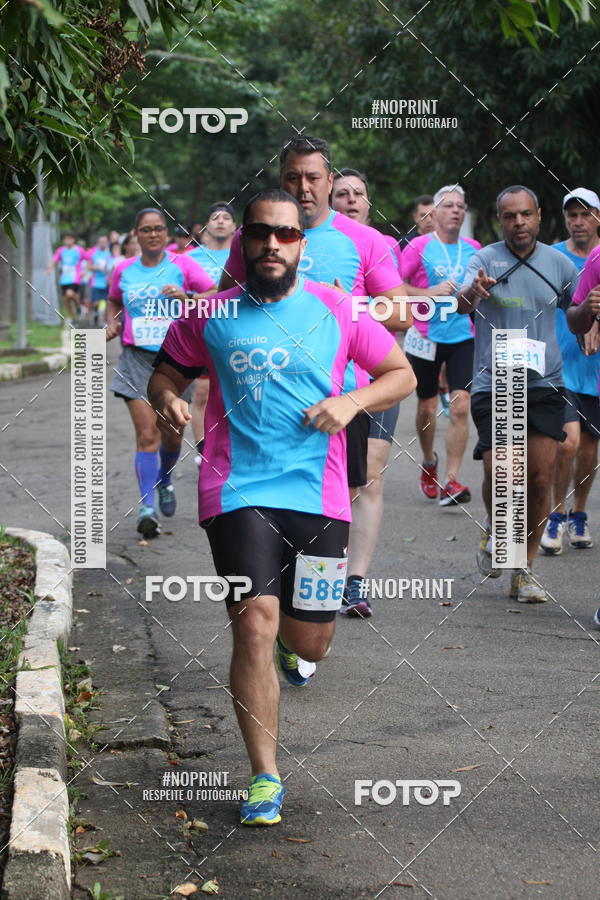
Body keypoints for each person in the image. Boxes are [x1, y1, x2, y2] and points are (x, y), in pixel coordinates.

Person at [148, 189, 417, 826]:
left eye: (286, 235)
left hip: (318, 498)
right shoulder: (210, 313)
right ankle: (265, 776)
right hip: (235, 490)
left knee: (310, 639)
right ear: (244, 240)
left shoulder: (336, 309)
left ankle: (298, 655)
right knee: (254, 620)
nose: (273, 244)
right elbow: (164, 372)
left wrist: (352, 404)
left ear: (302, 243)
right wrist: (168, 398)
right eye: (261, 233)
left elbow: (400, 373)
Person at [219, 136, 411, 621]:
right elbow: (223, 304)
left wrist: (343, 303)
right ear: (281, 181)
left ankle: (331, 596)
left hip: (343, 396)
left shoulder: (363, 240)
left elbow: (402, 313)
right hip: (266, 399)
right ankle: (280, 606)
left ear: (330, 181)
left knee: (340, 502)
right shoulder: (262, 235)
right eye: (292, 178)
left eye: (312, 177)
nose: (302, 187)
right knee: (268, 506)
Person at [457, 185, 579, 603]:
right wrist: (473, 292)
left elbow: (576, 316)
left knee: (540, 479)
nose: (519, 223)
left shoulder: (559, 263)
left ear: (539, 216)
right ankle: (498, 529)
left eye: (526, 214)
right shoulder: (484, 260)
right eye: (510, 216)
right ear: (500, 220)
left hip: (545, 382)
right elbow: (459, 305)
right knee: (503, 472)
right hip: (495, 382)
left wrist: (591, 310)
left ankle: (523, 569)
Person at [106, 207, 216, 537]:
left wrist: (188, 296)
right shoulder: (123, 269)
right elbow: (113, 300)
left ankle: (165, 479)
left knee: (171, 433)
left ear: (166, 234)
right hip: (136, 360)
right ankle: (146, 508)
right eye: (146, 230)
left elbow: (213, 293)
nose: (153, 234)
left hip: (175, 362)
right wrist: (112, 322)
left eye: (159, 229)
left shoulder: (182, 264)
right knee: (147, 434)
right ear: (136, 235)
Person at [330, 167, 403, 617]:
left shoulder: (378, 244)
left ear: (368, 202)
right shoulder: (309, 241)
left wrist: (352, 305)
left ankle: (355, 582)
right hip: (326, 380)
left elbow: (401, 314)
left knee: (370, 476)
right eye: (343, 193)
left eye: (359, 192)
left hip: (377, 375)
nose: (352, 198)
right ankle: (324, 572)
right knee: (337, 483)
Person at [402, 185, 480, 506]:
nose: (456, 211)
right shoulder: (419, 246)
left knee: (460, 406)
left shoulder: (475, 247)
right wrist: (429, 291)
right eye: (448, 206)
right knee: (426, 407)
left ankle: (452, 480)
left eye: (460, 206)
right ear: (434, 213)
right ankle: (429, 461)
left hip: (463, 335)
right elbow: (396, 288)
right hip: (425, 338)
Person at [541, 188, 600, 554]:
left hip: (594, 370)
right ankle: (556, 514)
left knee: (590, 451)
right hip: (559, 367)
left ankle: (579, 513)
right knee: (568, 443)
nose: (578, 222)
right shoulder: (551, 257)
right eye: (572, 215)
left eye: (585, 214)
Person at [566, 244, 600, 628]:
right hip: (579, 377)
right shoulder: (597, 258)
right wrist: (589, 311)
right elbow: (574, 318)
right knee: (571, 445)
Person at [188, 203, 238, 467]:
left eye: (226, 217)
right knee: (202, 394)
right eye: (215, 217)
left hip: (238, 333)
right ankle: (203, 450)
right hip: (204, 334)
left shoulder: (241, 256)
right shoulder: (191, 258)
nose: (220, 222)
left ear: (234, 226)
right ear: (206, 226)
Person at [46, 232, 87, 325]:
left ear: (74, 240)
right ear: (64, 240)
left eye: (70, 239)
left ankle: (79, 307)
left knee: (70, 294)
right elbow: (54, 259)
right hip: (64, 278)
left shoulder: (79, 250)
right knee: (66, 299)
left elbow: (88, 259)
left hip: (75, 277)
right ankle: (71, 316)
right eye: (66, 239)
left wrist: (85, 270)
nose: (68, 241)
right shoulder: (61, 250)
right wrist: (49, 267)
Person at [86, 234, 112, 326]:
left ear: (107, 243)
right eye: (101, 242)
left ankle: (103, 320)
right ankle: (95, 314)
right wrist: (95, 267)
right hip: (95, 282)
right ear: (98, 243)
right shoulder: (94, 254)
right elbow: (88, 266)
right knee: (96, 303)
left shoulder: (110, 254)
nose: (102, 244)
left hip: (106, 282)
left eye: (104, 242)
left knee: (105, 302)